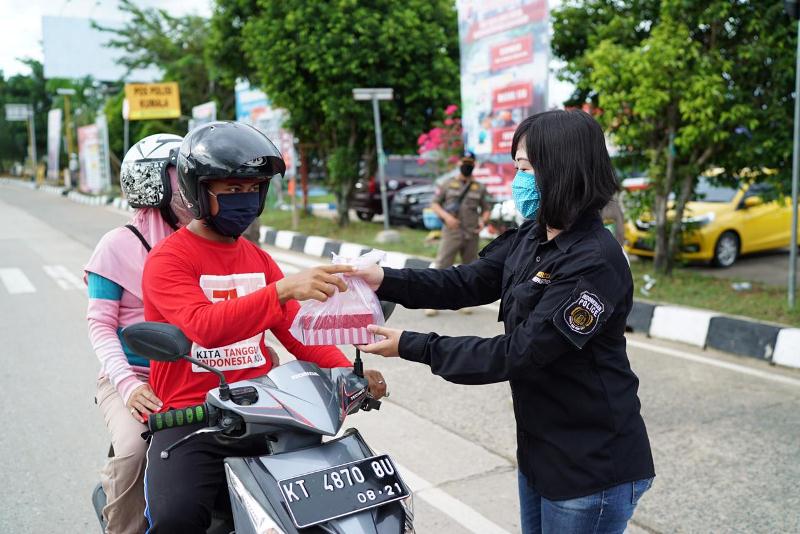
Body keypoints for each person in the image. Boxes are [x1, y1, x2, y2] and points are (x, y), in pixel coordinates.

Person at [353, 110, 655, 534]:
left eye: (527, 169)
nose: (519, 181)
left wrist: (412, 344)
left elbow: (521, 352)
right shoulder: (533, 235)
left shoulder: (593, 263)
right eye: (517, 169)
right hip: (540, 451)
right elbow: (466, 282)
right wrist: (384, 279)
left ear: (563, 170)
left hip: (591, 466)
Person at [140, 121, 387, 532]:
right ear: (198, 191)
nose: (246, 200)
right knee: (176, 518)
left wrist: (347, 373)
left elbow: (299, 334)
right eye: (232, 190)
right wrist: (283, 290)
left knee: (330, 512)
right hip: (191, 423)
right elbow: (204, 327)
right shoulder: (169, 259)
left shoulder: (257, 259)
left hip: (264, 416)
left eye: (253, 189)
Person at [85, 133, 191, 534]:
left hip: (202, 372)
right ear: (153, 183)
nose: (196, 187)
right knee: (133, 449)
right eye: (183, 177)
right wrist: (127, 385)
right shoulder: (116, 246)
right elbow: (100, 324)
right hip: (136, 376)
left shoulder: (204, 240)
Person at [426, 151, 492, 316]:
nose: (466, 166)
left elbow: (486, 209)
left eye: (470, 163)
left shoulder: (479, 187)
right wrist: (447, 217)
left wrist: (483, 221)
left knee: (470, 269)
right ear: (459, 164)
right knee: (442, 266)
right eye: (464, 163)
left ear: (473, 165)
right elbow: (434, 204)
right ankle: (431, 302)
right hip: (452, 232)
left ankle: (464, 302)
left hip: (471, 233)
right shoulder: (448, 184)